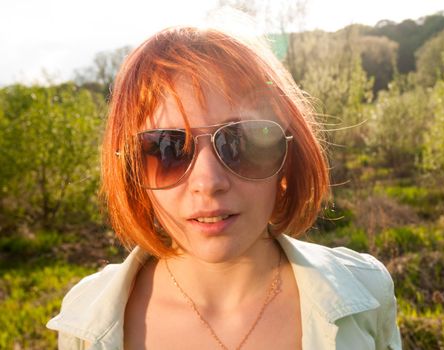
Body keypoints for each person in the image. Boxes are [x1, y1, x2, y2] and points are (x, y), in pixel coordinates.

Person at [47, 25, 402, 350]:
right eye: (167, 149)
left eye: (241, 143)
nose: (209, 182)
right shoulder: (85, 320)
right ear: (130, 168)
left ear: (288, 154)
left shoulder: (366, 291)